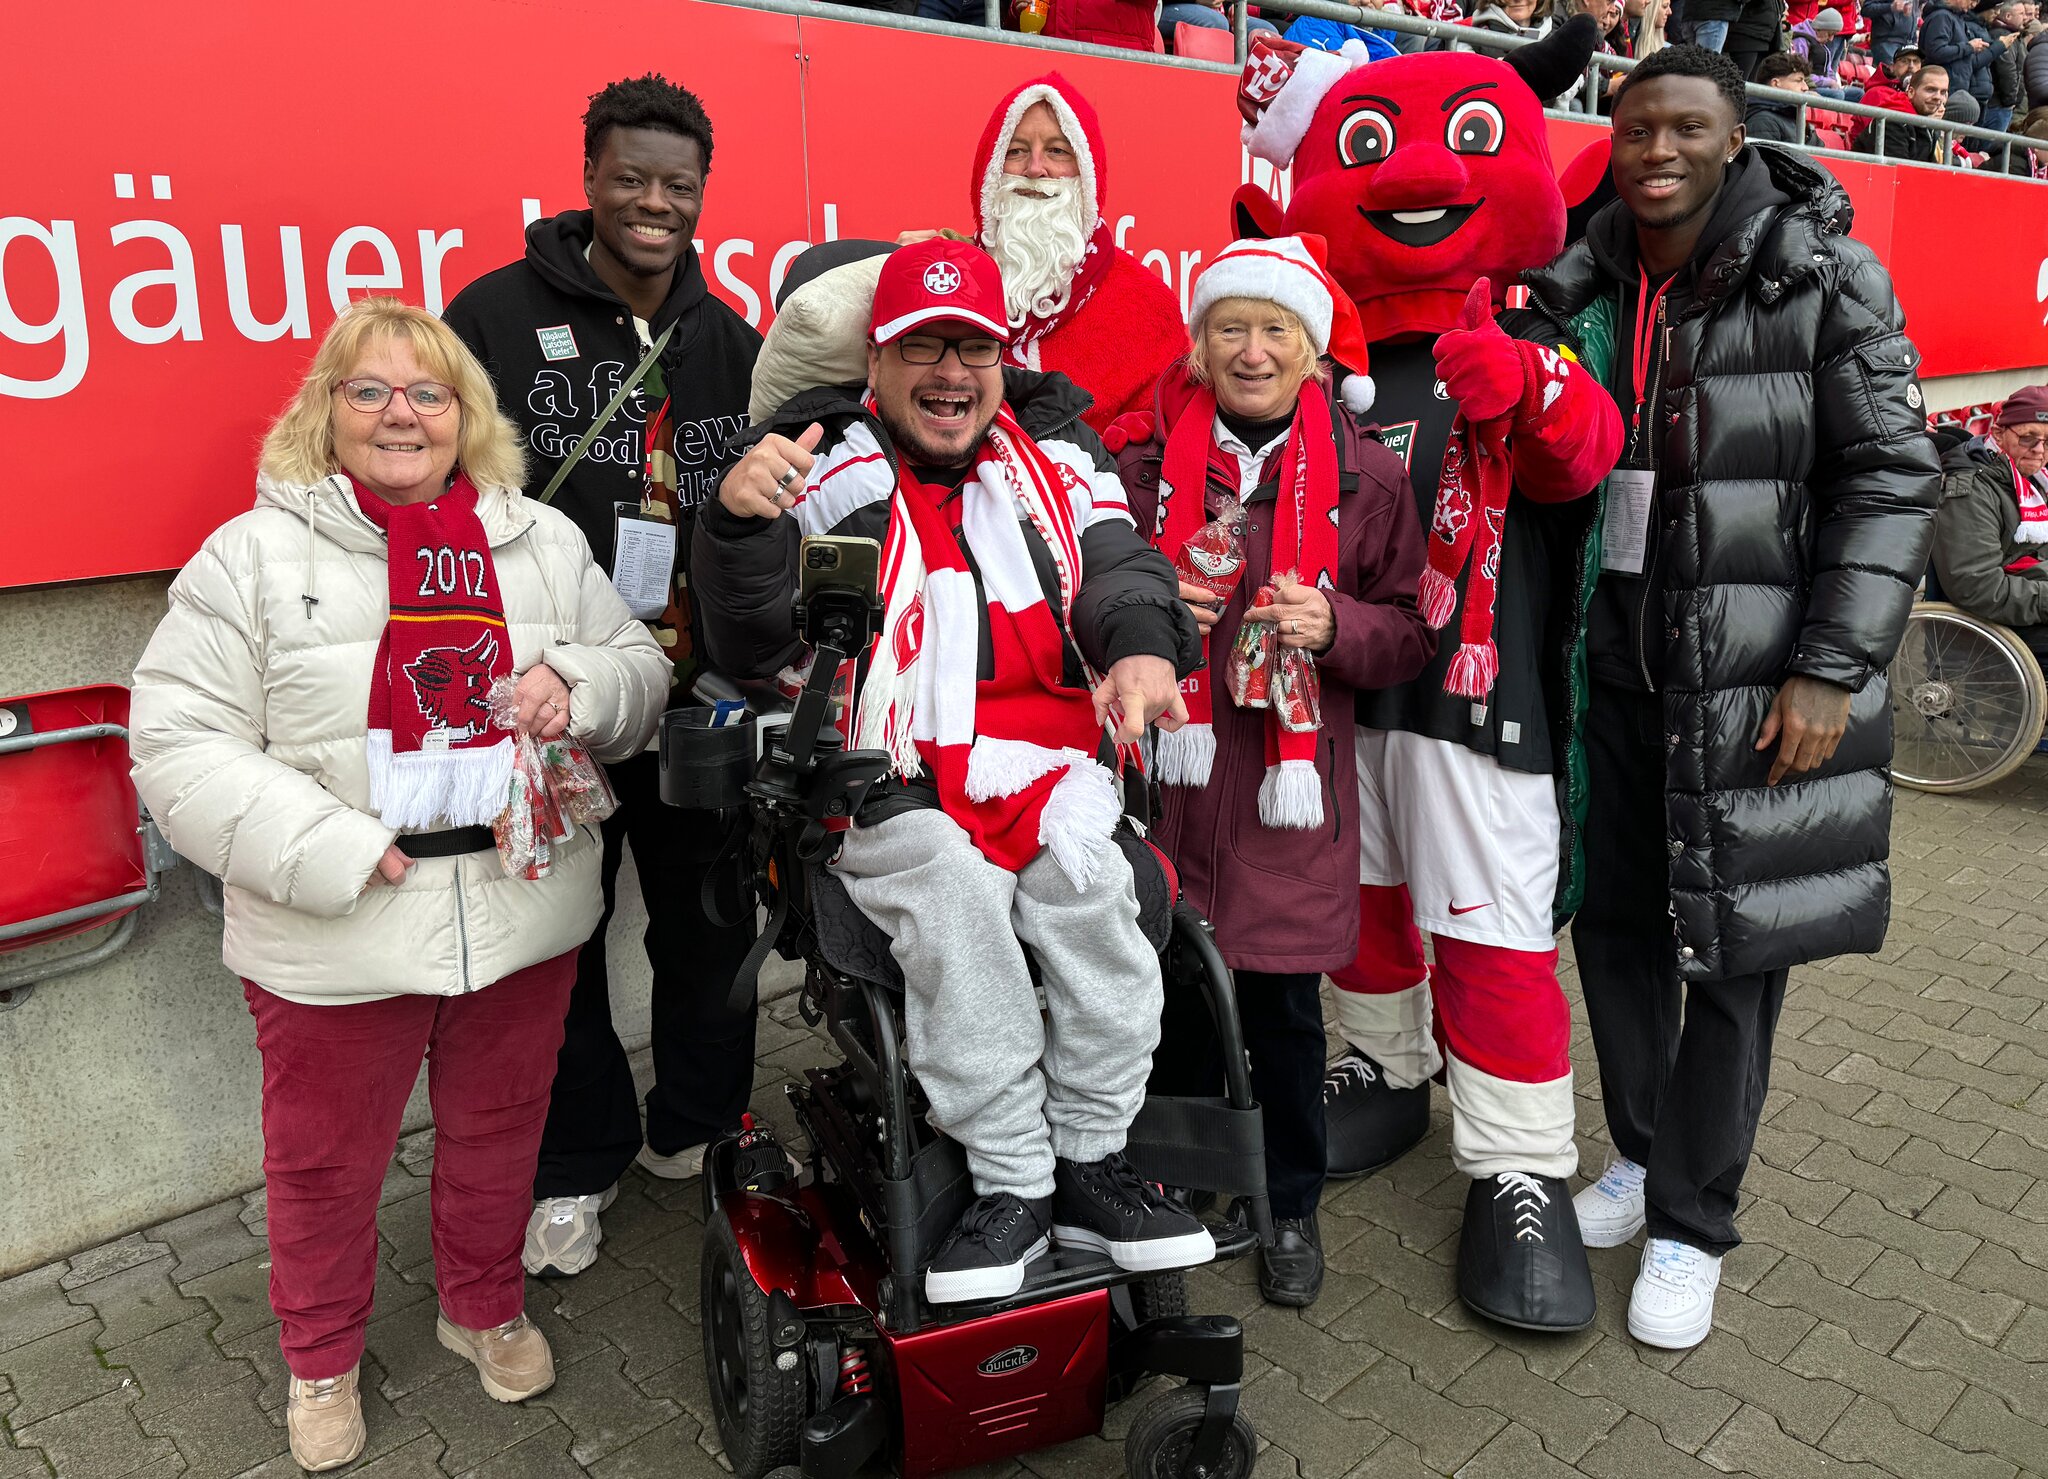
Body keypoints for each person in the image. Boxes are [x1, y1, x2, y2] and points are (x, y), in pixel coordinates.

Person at [128, 300, 671, 1471]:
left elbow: (640, 668)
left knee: (497, 1131)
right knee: (325, 1164)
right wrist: (330, 848)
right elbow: (177, 744)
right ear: (324, 411)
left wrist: (575, 684)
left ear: (465, 413)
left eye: (427, 392)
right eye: (367, 390)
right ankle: (319, 1361)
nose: (400, 415)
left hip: (519, 905)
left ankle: (481, 1307)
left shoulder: (538, 542)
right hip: (339, 921)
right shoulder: (254, 556)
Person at [693, 240, 1213, 1304]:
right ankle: (1013, 1186)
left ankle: (1089, 1163)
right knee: (955, 891)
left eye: (971, 346)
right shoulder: (815, 461)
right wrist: (739, 527)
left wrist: (1144, 646)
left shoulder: (1059, 456)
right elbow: (748, 650)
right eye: (920, 345)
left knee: (1092, 886)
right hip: (888, 768)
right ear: (874, 366)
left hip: (1045, 756)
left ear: (1000, 357)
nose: (949, 372)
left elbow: (1117, 568)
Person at [1524, 45, 1940, 1350]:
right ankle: (1645, 1153)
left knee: (1736, 953)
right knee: (1621, 934)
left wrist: (1832, 664)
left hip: (1758, 682)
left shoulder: (1819, 273)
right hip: (1613, 669)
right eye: (1638, 125)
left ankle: (1696, 1223)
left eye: (1687, 127)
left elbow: (1892, 475)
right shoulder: (1582, 281)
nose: (1658, 148)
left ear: (1735, 132)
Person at [1231, 20, 1628, 1333]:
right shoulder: (1318, 356)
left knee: (1493, 930)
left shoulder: (1528, 329)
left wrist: (1528, 383)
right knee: (1368, 899)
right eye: (1369, 147)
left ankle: (1520, 1162)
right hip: (1350, 689)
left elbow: (1584, 450)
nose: (1409, 174)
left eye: (1457, 140)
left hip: (1480, 700)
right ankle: (1384, 1066)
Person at [442, 75, 764, 1280]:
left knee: (705, 925)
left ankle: (698, 1129)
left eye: (677, 186)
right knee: (558, 944)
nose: (653, 203)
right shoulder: (491, 318)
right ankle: (575, 1164)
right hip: (550, 695)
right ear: (586, 177)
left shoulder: (728, 338)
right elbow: (440, 492)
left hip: (691, 696)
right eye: (630, 177)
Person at [1119, 238, 1435, 1306]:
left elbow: (1406, 636)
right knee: (1166, 1005)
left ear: (1309, 350)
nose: (1250, 351)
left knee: (1285, 1018)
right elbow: (1090, 603)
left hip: (1288, 793)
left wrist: (1333, 624)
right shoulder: (1142, 461)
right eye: (1228, 329)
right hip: (1168, 786)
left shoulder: (1368, 472)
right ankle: (1172, 1182)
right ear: (1198, 346)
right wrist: (1151, 605)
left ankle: (1287, 1206)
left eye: (1274, 331)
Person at [967, 76, 1191, 434]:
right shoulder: (949, 280)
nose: (1035, 169)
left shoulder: (1146, 305)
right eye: (1016, 151)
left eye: (1057, 151)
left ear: (1088, 174)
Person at [1931, 386, 2048, 662]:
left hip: (2027, 595)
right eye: (2028, 439)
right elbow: (1979, 589)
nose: (2039, 451)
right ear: (1997, 434)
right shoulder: (1970, 492)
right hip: (1986, 628)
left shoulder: (2034, 476)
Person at [1921, 0, 2002, 121]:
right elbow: (1936, 51)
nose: (1974, 5)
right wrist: (1969, 47)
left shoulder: (1956, 18)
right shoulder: (1941, 17)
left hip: (1955, 90)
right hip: (1944, 91)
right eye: (1973, 0)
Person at [1862, 62, 1953, 156]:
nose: (1938, 97)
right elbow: (1897, 168)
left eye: (1943, 92)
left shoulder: (1927, 122)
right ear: (1911, 92)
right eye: (1930, 90)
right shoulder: (1893, 121)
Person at [1748, 51, 1818, 134]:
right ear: (1775, 83)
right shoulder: (1763, 121)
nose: (1806, 88)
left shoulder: (1792, 115)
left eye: (1804, 81)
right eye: (1798, 81)